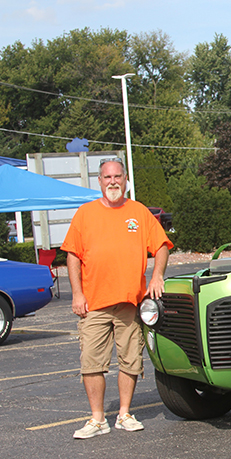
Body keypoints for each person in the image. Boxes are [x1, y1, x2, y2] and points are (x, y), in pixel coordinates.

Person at [62, 157, 173, 439]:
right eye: (107, 177)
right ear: (99, 182)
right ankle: (97, 419)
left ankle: (124, 414)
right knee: (92, 363)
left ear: (126, 180)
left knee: (130, 361)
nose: (113, 181)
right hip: (94, 304)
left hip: (129, 303)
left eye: (118, 176)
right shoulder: (85, 214)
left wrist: (157, 276)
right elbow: (72, 256)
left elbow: (161, 246)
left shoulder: (139, 212)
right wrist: (77, 293)